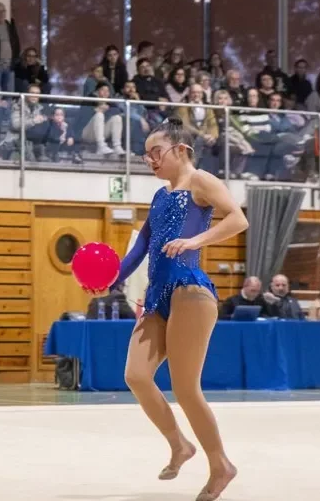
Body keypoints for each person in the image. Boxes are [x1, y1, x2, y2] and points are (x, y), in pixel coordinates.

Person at [93, 120, 248, 501]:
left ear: (182, 150)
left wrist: (196, 239)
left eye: (155, 152)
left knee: (185, 388)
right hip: (159, 294)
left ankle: (220, 465)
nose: (149, 160)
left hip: (191, 291)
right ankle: (179, 444)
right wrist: (110, 279)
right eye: (146, 154)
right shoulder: (161, 196)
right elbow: (142, 245)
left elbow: (237, 219)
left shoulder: (201, 181)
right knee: (136, 375)